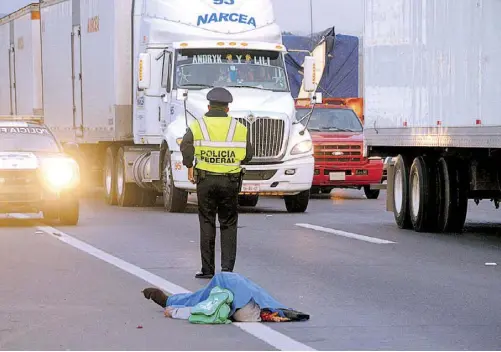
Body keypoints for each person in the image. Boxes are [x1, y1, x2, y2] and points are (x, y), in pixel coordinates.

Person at [180, 87, 253, 279]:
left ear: (208, 106)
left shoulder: (198, 125)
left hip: (205, 180)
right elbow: (248, 155)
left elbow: (185, 145)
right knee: (228, 224)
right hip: (230, 181)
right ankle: (227, 270)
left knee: (207, 222)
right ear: (227, 109)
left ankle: (207, 269)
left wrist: (189, 164)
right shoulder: (239, 127)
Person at [142, 272, 310, 323]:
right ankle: (281, 310)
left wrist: (174, 311)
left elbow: (202, 308)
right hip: (253, 303)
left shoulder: (221, 291)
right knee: (228, 282)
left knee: (208, 291)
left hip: (243, 304)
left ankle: (168, 301)